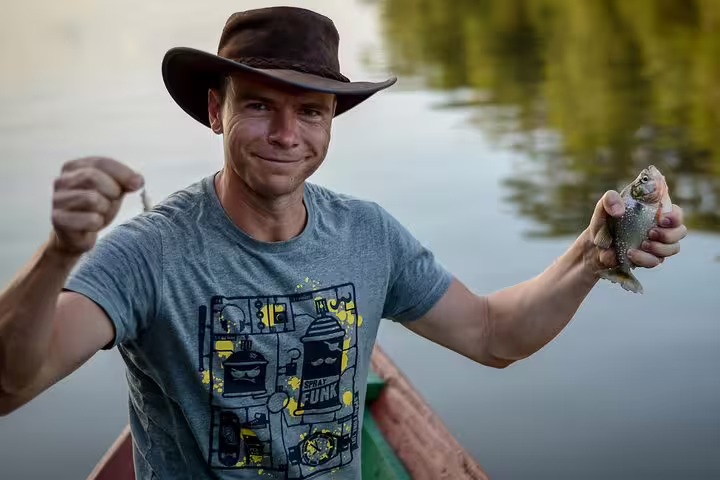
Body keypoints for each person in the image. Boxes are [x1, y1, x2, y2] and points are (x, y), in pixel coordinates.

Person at [0, 6, 686, 480]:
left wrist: (593, 256)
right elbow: (11, 383)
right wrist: (60, 252)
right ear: (217, 110)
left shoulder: (368, 235)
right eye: (260, 104)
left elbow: (492, 334)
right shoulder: (148, 253)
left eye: (311, 111)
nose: (286, 134)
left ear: (332, 122)